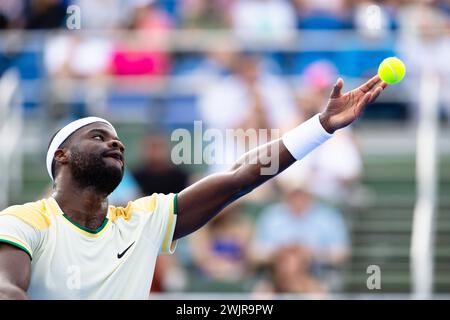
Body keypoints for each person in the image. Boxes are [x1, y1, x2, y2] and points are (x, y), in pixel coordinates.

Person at [0, 75, 387, 299]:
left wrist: (319, 127)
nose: (115, 143)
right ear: (62, 157)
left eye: (118, 139)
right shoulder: (24, 221)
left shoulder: (142, 220)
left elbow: (240, 176)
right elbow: (7, 289)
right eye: (99, 137)